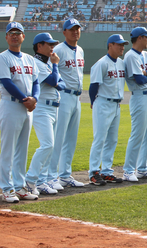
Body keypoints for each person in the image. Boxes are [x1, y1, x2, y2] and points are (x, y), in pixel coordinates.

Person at [0, 22, 40, 203]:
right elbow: (6, 82)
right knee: (8, 149)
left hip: (28, 107)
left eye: (18, 33)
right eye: (11, 33)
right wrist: (26, 99)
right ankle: (6, 188)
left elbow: (37, 82)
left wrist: (35, 99)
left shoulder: (30, 59)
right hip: (11, 105)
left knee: (22, 150)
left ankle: (19, 186)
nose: (15, 36)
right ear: (7, 37)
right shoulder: (3, 57)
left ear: (23, 36)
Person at [47, 18, 85, 191]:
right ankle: (51, 176)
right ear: (64, 32)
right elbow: (50, 74)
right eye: (71, 29)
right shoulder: (58, 50)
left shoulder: (81, 50)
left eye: (77, 29)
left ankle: (65, 175)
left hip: (77, 98)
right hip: (63, 96)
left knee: (71, 138)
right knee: (58, 137)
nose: (75, 32)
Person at [25, 33, 65, 196]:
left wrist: (54, 74)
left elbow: (61, 84)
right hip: (41, 108)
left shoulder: (47, 63)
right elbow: (54, 81)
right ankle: (30, 179)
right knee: (47, 144)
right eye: (49, 44)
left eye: (53, 44)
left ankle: (41, 181)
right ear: (39, 46)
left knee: (51, 145)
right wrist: (55, 66)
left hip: (53, 107)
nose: (52, 47)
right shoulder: (36, 63)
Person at [88, 34, 128, 186]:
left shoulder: (121, 63)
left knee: (112, 139)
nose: (122, 47)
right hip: (103, 102)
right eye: (119, 44)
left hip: (116, 104)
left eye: (123, 44)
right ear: (110, 45)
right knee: (100, 139)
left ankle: (106, 171)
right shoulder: (102, 63)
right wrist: (94, 102)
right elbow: (93, 86)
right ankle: (93, 172)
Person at [122, 27, 147, 181]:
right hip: (139, 96)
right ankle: (128, 170)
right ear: (139, 38)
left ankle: (142, 168)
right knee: (137, 134)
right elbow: (139, 79)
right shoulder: (131, 56)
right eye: (146, 37)